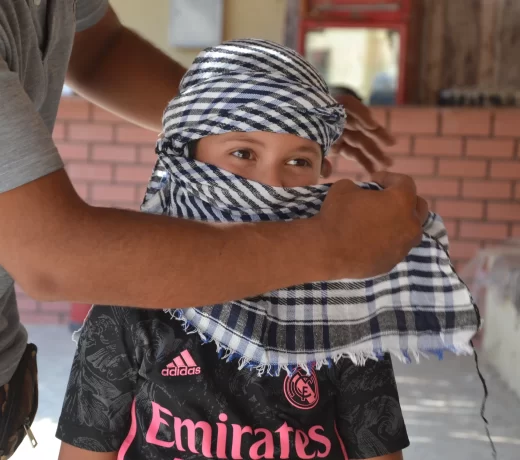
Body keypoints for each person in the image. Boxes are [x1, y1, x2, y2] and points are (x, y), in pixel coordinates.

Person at [0, 0, 427, 453]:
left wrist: (274, 104)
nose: (268, 185)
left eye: (299, 161)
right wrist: (333, 246)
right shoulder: (130, 315)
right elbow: (51, 254)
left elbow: (101, 51)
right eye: (242, 154)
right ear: (184, 161)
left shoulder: (344, 317)